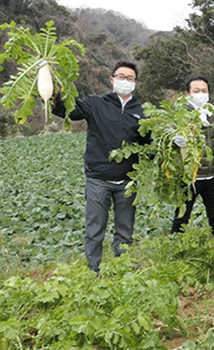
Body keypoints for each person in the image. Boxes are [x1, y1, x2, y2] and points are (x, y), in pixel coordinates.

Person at [53, 61, 151, 274]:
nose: (125, 81)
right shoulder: (95, 103)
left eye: (130, 78)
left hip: (128, 181)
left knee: (125, 232)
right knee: (94, 231)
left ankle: (122, 271)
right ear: (112, 79)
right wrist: (53, 89)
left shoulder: (143, 111)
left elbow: (150, 143)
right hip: (98, 179)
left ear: (136, 83)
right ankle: (92, 272)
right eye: (121, 76)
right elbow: (67, 110)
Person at [170, 75, 214, 236]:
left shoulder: (209, 111)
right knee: (182, 216)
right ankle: (175, 248)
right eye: (196, 91)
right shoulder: (180, 112)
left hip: (211, 175)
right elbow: (168, 128)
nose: (201, 94)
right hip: (189, 176)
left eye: (204, 90)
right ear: (187, 94)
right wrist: (174, 136)